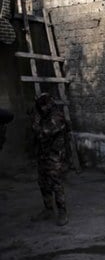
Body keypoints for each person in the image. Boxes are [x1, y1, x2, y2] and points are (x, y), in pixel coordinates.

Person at [30, 93, 70, 226]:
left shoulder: (56, 117)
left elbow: (41, 133)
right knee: (42, 182)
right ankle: (48, 209)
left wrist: (35, 119)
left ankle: (62, 212)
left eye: (42, 106)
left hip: (55, 156)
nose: (41, 109)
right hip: (43, 154)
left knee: (56, 184)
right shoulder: (42, 114)